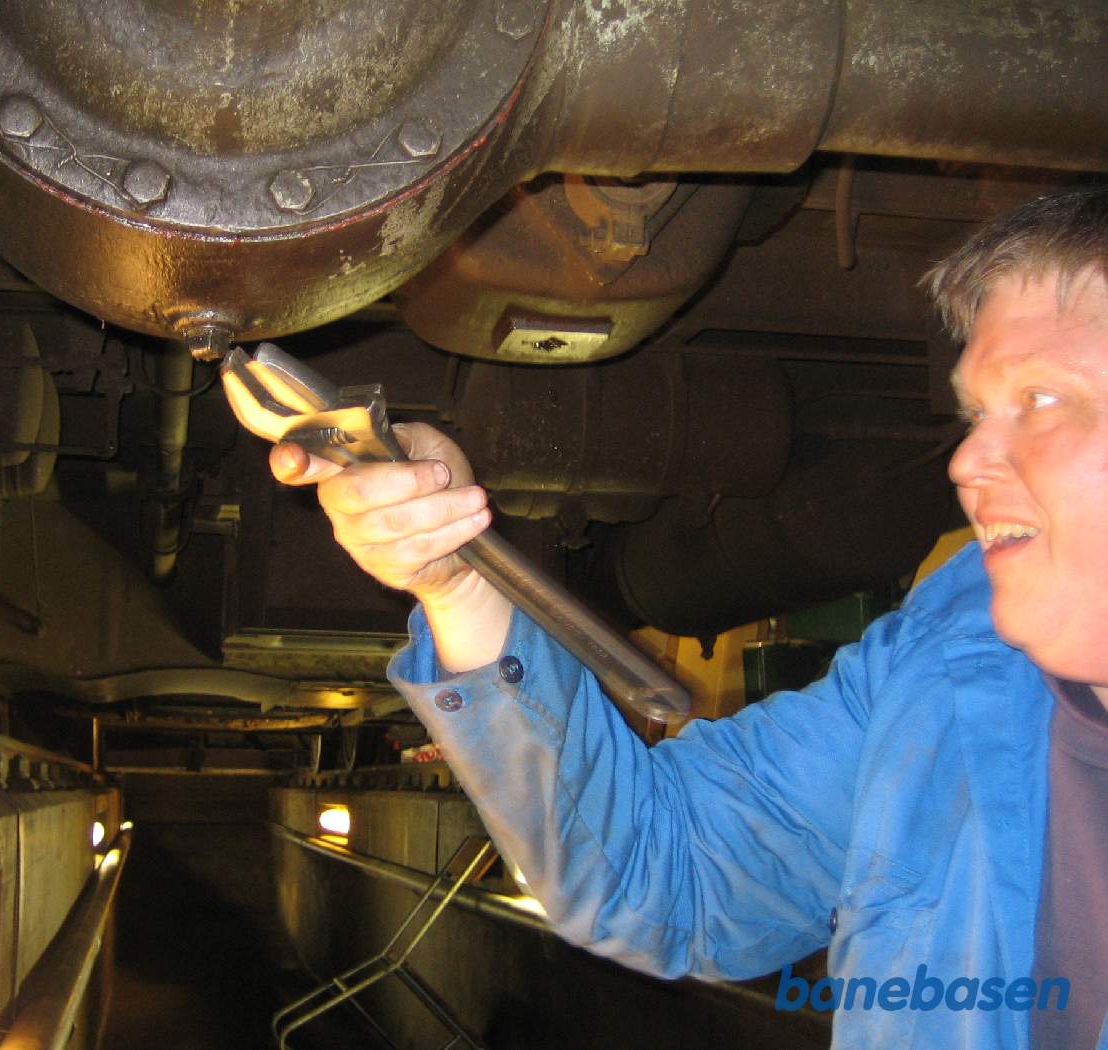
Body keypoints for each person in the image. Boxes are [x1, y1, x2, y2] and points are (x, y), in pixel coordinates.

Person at [269, 186, 1108, 1049]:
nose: (968, 458)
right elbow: (661, 876)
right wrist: (459, 581)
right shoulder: (948, 654)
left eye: (1040, 399)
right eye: (974, 413)